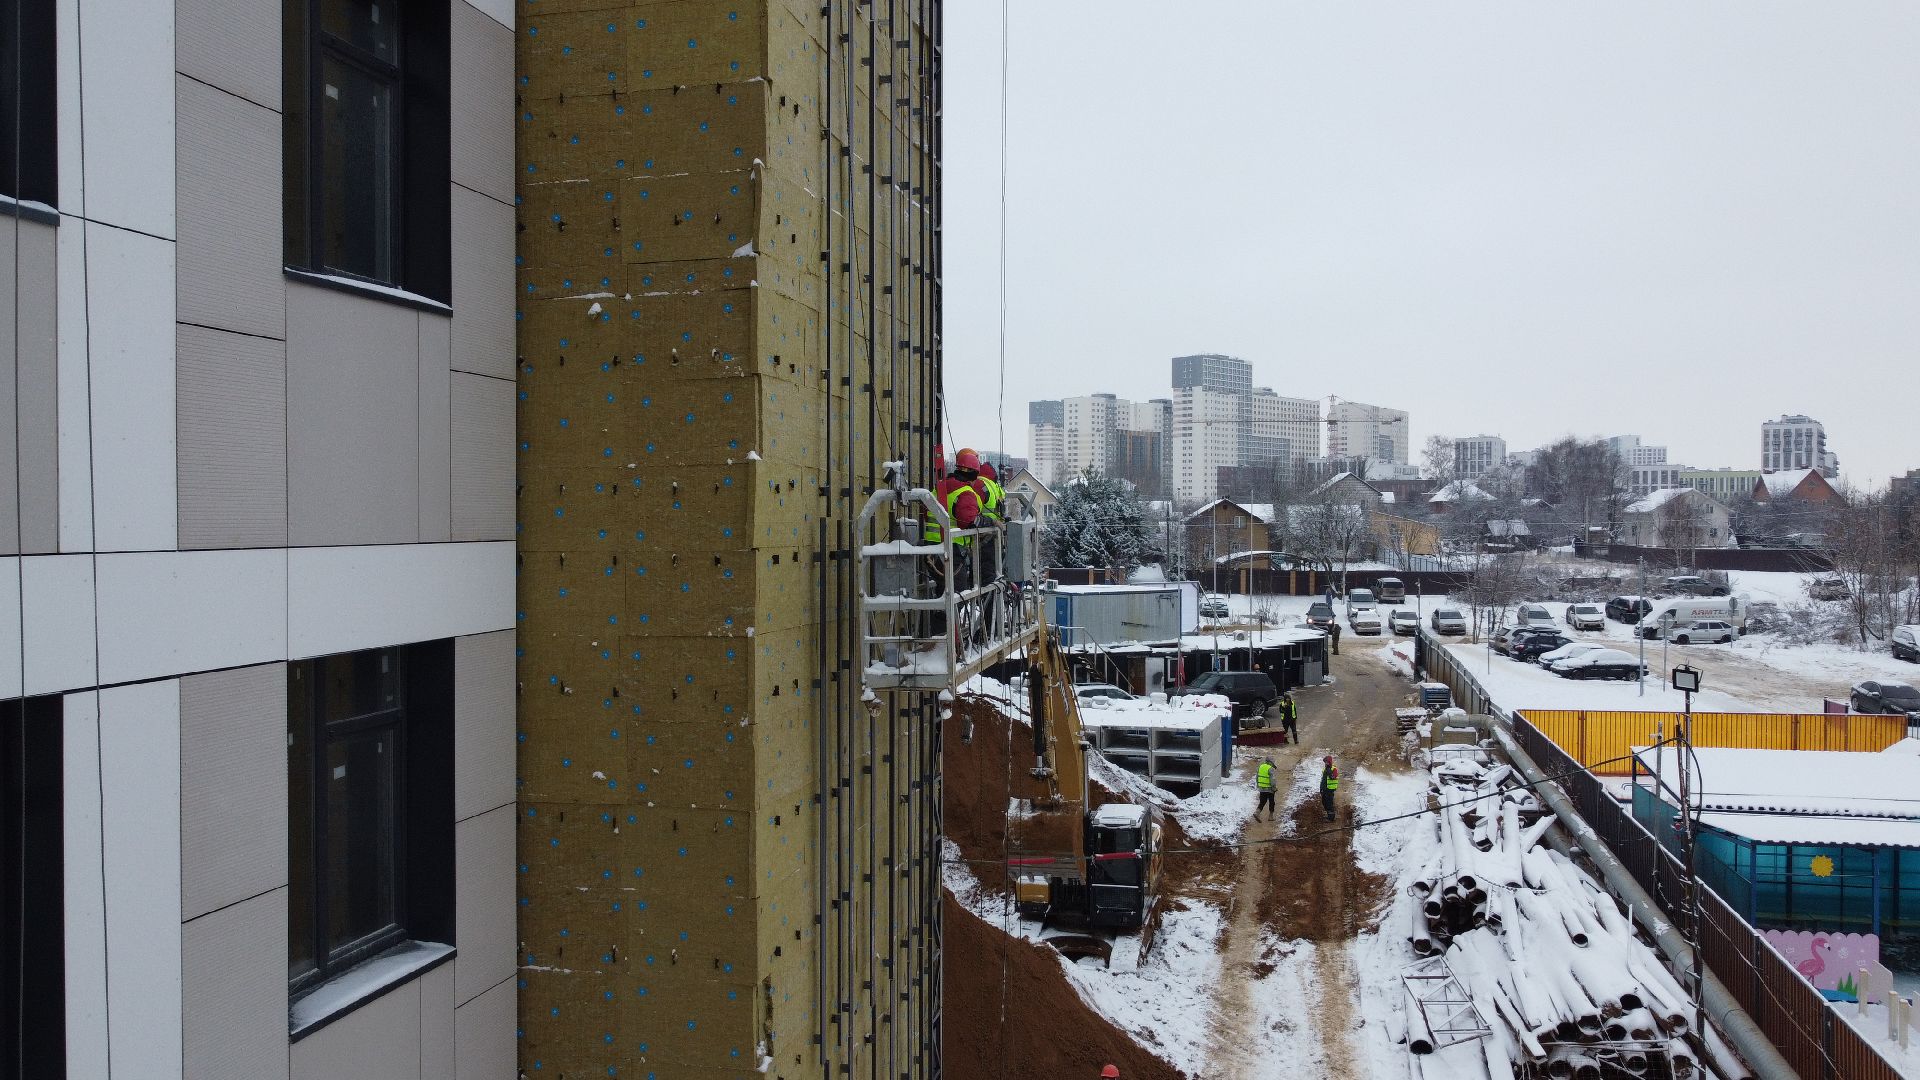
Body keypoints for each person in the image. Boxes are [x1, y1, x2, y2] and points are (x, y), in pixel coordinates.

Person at [1253, 757, 1276, 821]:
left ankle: (1257, 812)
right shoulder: (1270, 768)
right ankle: (1271, 816)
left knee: (1262, 801)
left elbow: (1257, 777)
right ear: (1270, 762)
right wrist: (1274, 788)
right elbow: (1272, 780)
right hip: (1269, 788)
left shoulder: (1260, 767)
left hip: (1262, 788)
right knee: (1271, 802)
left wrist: (1258, 785)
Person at [1320, 755, 1340, 822]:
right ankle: (1329, 814)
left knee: (1329, 803)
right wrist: (1321, 788)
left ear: (1330, 762)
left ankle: (1331, 817)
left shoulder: (1333, 769)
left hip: (1330, 790)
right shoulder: (1324, 769)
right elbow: (1323, 780)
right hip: (1325, 789)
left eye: (1327, 762)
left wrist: (1329, 771)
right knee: (1324, 802)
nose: (1326, 763)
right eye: (1325, 762)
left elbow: (1333, 777)